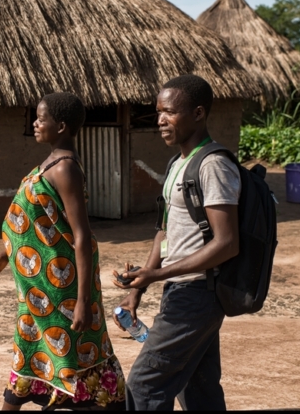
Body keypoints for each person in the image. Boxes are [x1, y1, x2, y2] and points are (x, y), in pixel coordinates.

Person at [0, 92, 126, 411]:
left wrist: (83, 302)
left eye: (41, 118)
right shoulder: (50, 164)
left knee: (77, 356)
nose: (35, 123)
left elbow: (81, 236)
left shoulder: (65, 169)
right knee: (31, 352)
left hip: (63, 290)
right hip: (38, 289)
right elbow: (39, 223)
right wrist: (5, 256)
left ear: (61, 126)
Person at [111, 75, 240, 411]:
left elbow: (227, 243)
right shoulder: (178, 164)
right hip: (182, 291)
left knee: (144, 386)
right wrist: (138, 288)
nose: (160, 120)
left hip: (198, 294)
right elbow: (165, 232)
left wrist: (158, 275)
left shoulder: (213, 165)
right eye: (158, 112)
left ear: (198, 113)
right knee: (198, 389)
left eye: (169, 112)